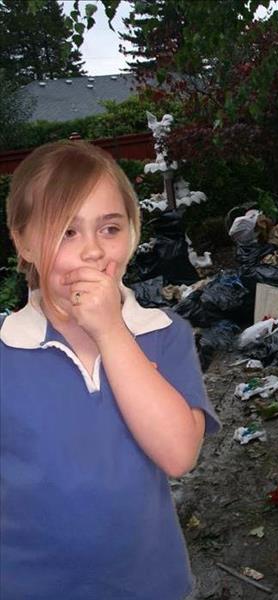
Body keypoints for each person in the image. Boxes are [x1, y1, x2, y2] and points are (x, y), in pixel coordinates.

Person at [0, 140, 221, 599]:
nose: (93, 252)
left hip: (151, 584)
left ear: (134, 233)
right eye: (66, 232)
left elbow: (179, 455)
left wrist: (111, 333)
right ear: (22, 241)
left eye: (110, 228)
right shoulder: (6, 352)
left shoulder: (163, 333)